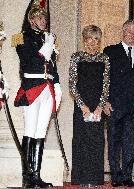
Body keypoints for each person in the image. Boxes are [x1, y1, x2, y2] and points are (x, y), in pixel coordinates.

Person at [13, 2, 62, 188]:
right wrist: (48, 44)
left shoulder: (47, 39)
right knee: (30, 131)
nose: (44, 21)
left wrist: (57, 85)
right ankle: (27, 178)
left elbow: (53, 66)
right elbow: (30, 61)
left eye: (45, 18)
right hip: (32, 87)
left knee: (41, 132)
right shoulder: (20, 37)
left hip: (47, 87)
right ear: (31, 19)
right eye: (40, 18)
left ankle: (37, 175)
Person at [103, 20, 134, 187]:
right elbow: (104, 79)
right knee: (114, 142)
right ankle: (116, 176)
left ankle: (127, 176)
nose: (131, 34)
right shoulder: (110, 51)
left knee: (130, 143)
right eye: (128, 31)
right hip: (114, 105)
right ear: (122, 31)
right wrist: (105, 101)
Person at [69, 25, 110, 187]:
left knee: (97, 141)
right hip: (81, 105)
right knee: (82, 140)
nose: (93, 42)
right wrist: (83, 106)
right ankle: (81, 179)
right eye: (89, 38)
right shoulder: (76, 57)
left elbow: (106, 84)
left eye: (96, 39)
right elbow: (72, 85)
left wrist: (100, 107)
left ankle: (95, 179)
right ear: (84, 39)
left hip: (98, 105)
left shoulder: (104, 58)